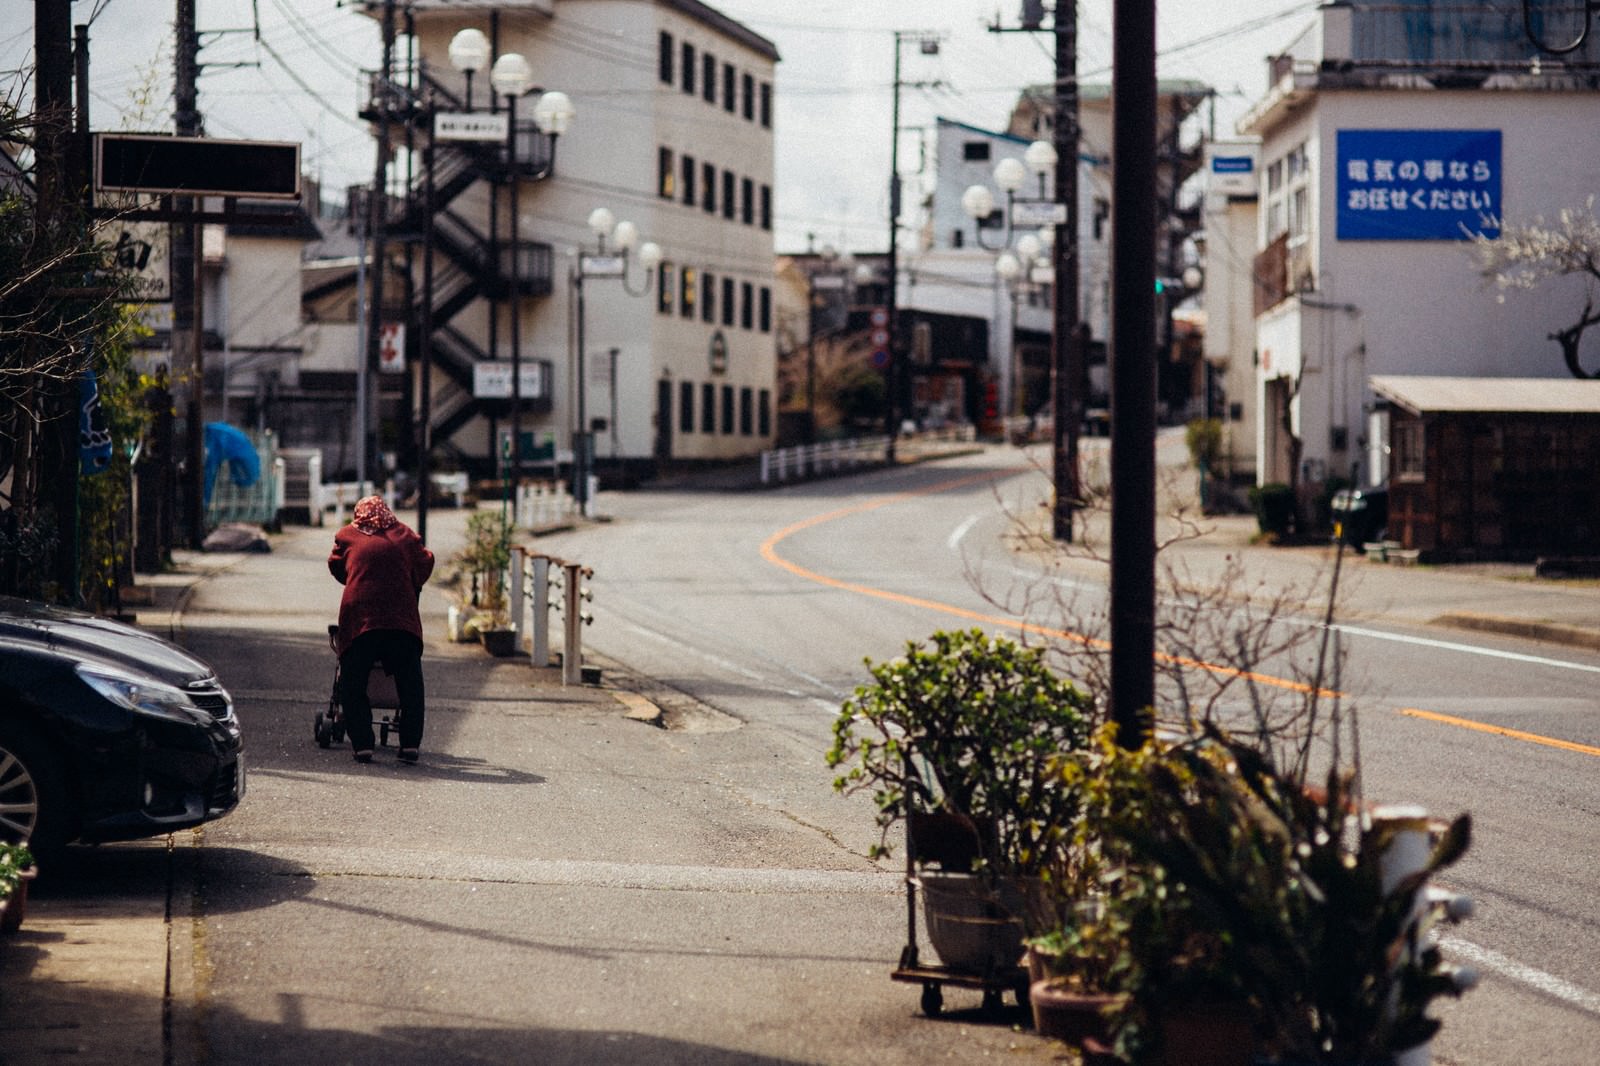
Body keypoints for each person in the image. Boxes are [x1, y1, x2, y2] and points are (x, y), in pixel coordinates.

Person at [328, 496, 435, 765]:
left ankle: (363, 744)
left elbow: (336, 565)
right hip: (401, 620)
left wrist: (356, 576)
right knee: (410, 684)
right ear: (387, 512)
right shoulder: (405, 535)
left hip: (361, 620)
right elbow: (425, 562)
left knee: (353, 682)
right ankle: (410, 745)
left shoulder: (347, 535)